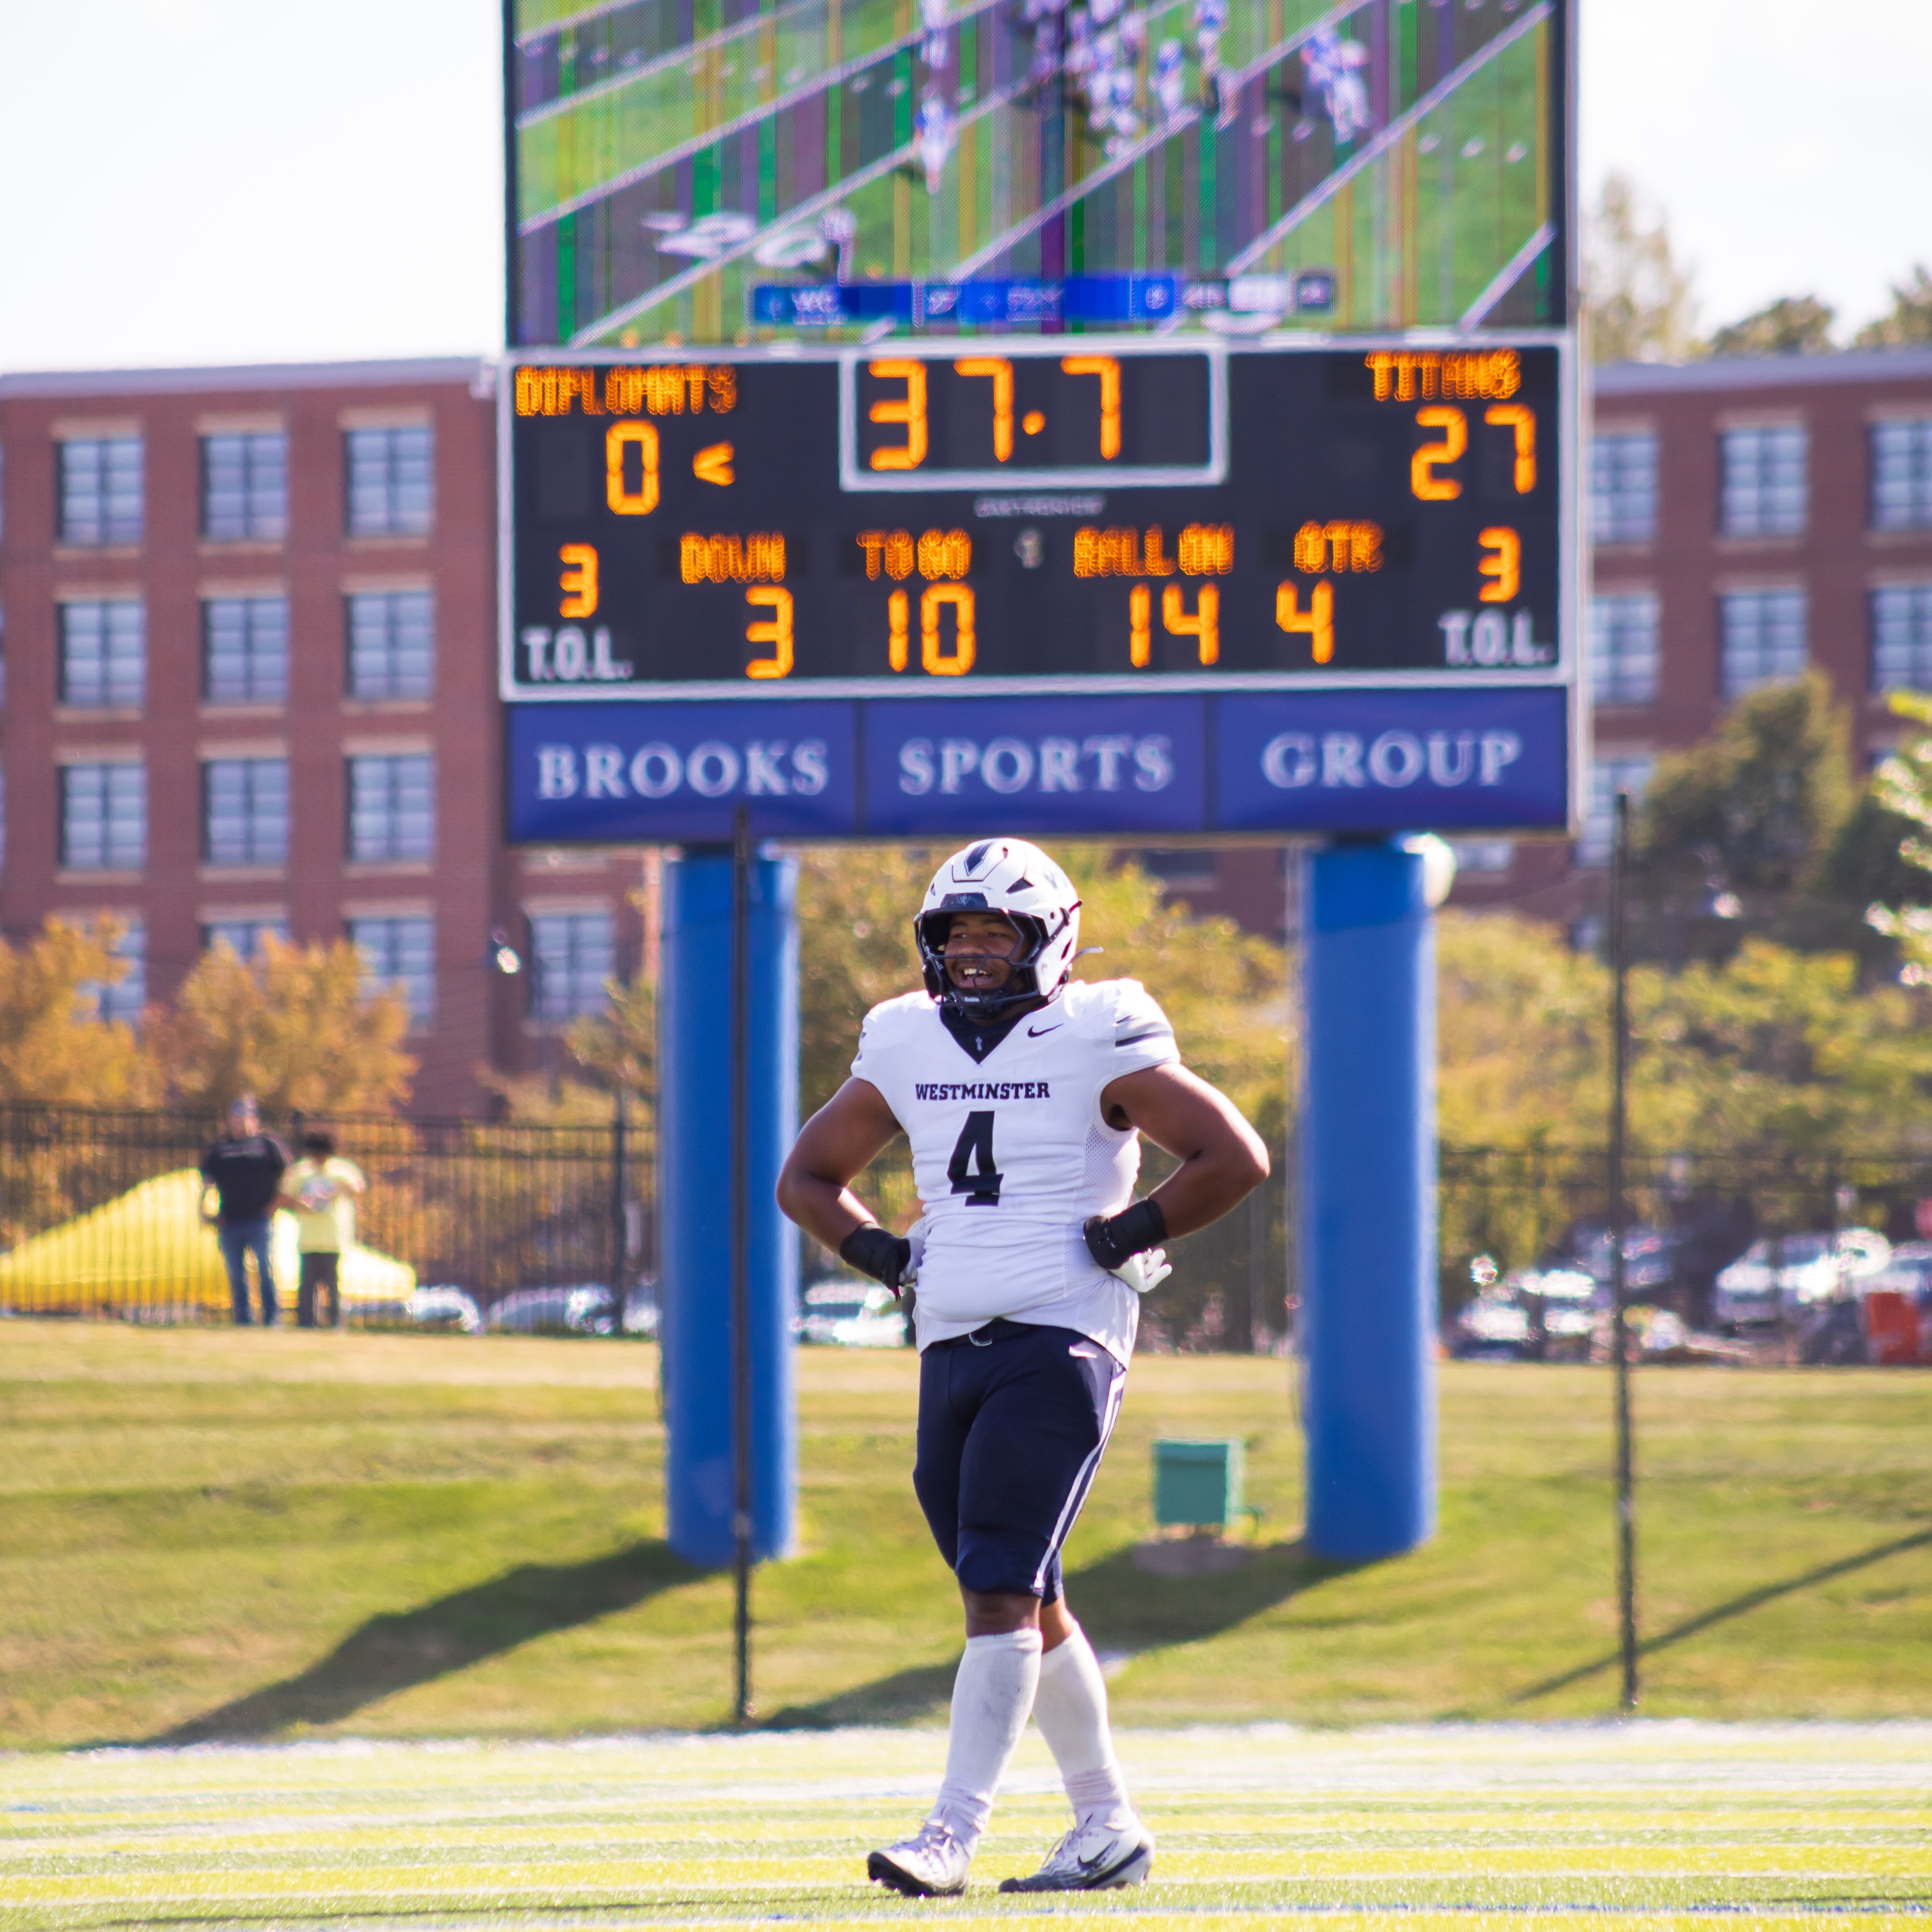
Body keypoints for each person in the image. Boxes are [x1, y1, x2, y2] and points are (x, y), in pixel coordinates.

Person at [777, 838, 1268, 1897]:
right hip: (950, 1336)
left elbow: (1232, 1153)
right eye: (956, 933)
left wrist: (1126, 1227)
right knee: (1021, 1590)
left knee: (998, 1582)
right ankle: (1105, 1824)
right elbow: (808, 1176)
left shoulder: (1100, 1026)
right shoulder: (903, 1035)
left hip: (1062, 1333)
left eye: (997, 931)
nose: (974, 952)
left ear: (1048, 937)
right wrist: (883, 1255)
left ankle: (950, 1832)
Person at [199, 1096, 290, 1326]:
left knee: (265, 1269)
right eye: (236, 1117)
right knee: (236, 1274)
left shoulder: (267, 1145)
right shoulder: (221, 1148)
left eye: (245, 1117)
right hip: (230, 1221)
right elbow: (207, 1181)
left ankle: (272, 1319)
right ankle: (243, 1319)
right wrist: (203, 1209)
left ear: (254, 1119)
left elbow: (288, 1175)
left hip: (260, 1218)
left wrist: (275, 1204)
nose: (240, 1122)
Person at [280, 1130, 367, 1329]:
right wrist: (301, 1204)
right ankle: (306, 1323)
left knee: (333, 1286)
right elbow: (284, 1196)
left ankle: (336, 1323)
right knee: (307, 1287)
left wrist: (336, 1191)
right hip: (308, 1239)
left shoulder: (342, 1170)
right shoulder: (301, 1171)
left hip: (333, 1238)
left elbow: (358, 1188)